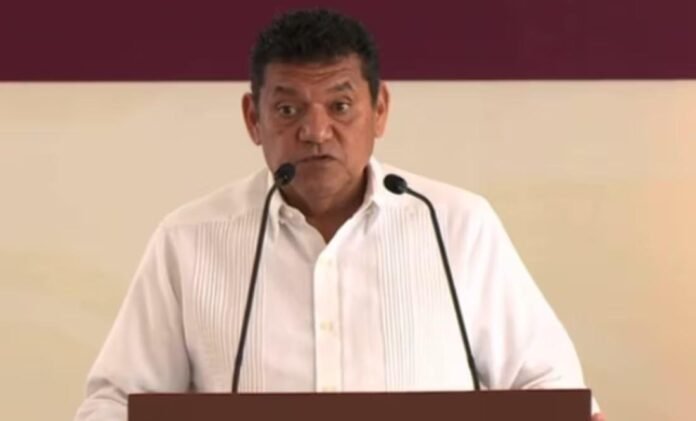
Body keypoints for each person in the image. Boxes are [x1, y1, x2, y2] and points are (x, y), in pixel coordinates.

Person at [75, 8, 605, 421]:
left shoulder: (457, 227)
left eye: (341, 106)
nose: (315, 131)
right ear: (253, 119)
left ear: (380, 110)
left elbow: (548, 385)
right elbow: (114, 403)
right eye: (288, 109)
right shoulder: (189, 240)